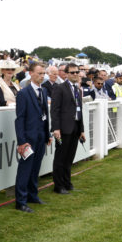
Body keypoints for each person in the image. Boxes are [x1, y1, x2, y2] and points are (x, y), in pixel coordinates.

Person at [14, 62, 52, 213]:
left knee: (36, 168)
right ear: (30, 73)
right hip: (28, 138)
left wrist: (47, 134)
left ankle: (32, 195)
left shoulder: (43, 91)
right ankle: (20, 201)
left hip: (41, 135)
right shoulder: (23, 93)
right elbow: (19, 119)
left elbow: (45, 115)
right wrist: (22, 141)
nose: (42, 76)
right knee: (25, 170)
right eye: (39, 73)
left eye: (43, 73)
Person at [51, 63, 85, 194]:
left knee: (69, 158)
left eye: (77, 72)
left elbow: (79, 111)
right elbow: (55, 110)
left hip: (75, 129)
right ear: (66, 74)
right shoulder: (59, 88)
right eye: (72, 72)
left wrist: (81, 130)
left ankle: (67, 182)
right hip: (63, 129)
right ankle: (58, 185)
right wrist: (56, 128)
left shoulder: (78, 90)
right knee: (60, 158)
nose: (75, 74)